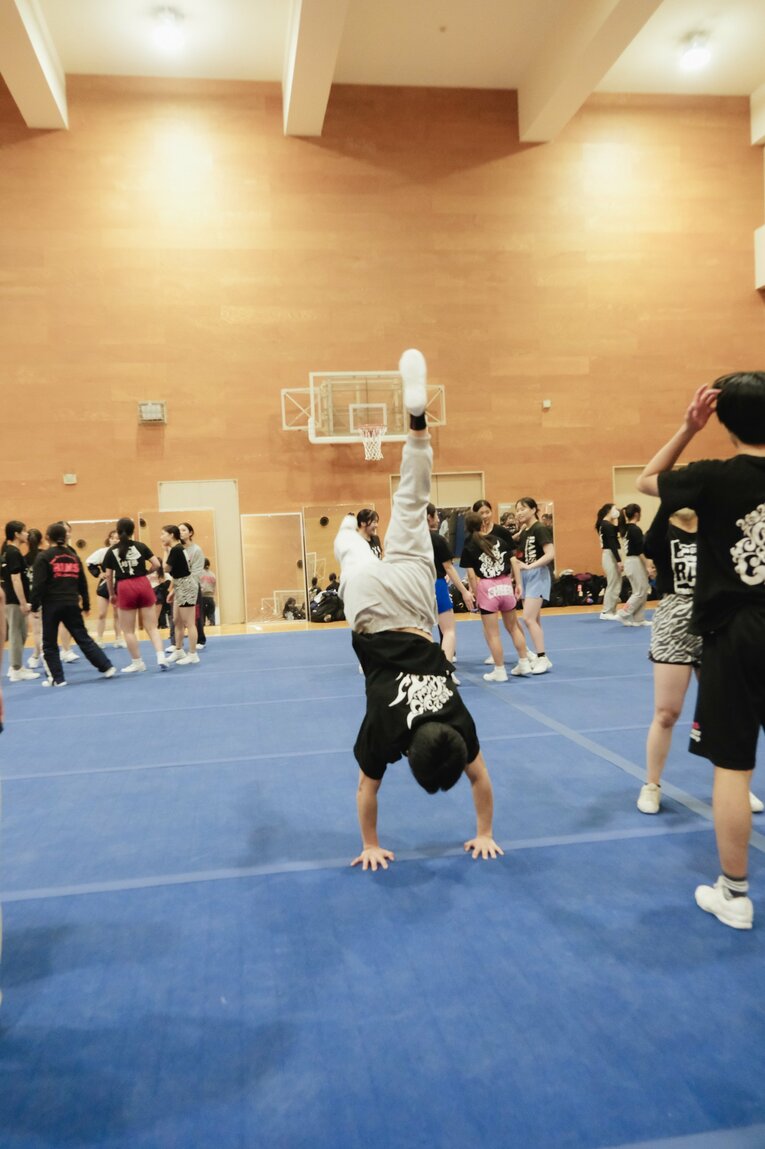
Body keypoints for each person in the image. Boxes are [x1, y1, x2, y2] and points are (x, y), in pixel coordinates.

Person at [335, 348, 502, 872]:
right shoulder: (388, 729)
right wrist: (369, 846)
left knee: (411, 500)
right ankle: (347, 532)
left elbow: (481, 778)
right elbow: (367, 788)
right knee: (352, 554)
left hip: (411, 598)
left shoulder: (459, 719)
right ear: (408, 754)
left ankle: (416, 426)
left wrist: (487, 831)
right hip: (370, 610)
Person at [636, 373, 765, 929]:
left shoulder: (713, 478)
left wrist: (689, 429)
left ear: (724, 419)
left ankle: (734, 895)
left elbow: (647, 480)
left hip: (736, 630)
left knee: (733, 767)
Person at [636, 503, 763, 819]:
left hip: (716, 622)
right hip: (674, 622)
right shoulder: (663, 532)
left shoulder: (718, 527)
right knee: (667, 712)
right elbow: (646, 546)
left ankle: (735, 784)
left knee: (725, 711)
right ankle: (651, 784)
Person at [31, 522, 116, 687]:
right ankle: (106, 666)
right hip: (71, 602)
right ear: (64, 537)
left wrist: (34, 605)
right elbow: (82, 582)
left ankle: (58, 678)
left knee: (49, 642)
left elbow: (38, 584)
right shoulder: (73, 556)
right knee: (83, 637)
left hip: (52, 604)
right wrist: (86, 604)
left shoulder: (44, 557)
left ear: (48, 538)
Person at [460, 500, 534, 682]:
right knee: (513, 627)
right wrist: (518, 584)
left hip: (487, 587)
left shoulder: (470, 545)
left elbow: (470, 575)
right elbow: (514, 561)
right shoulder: (500, 540)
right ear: (482, 523)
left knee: (493, 633)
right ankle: (524, 662)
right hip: (505, 584)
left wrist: (475, 593)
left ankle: (500, 670)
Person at [102, 517, 170, 673]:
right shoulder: (141, 546)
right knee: (152, 627)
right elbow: (158, 564)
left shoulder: (112, 551)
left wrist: (112, 594)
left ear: (118, 532)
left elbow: (108, 576)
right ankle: (161, 656)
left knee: (128, 630)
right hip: (143, 583)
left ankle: (137, 662)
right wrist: (146, 572)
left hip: (125, 587)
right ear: (133, 531)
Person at [426, 503, 474, 671]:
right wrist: (464, 591)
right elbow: (449, 568)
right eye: (436, 516)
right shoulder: (437, 539)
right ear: (428, 517)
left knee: (422, 632)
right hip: (436, 585)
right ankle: (446, 670)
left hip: (415, 587)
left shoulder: (406, 541)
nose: (438, 519)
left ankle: (425, 669)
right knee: (448, 631)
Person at [511, 497, 554, 674]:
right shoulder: (525, 530)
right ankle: (539, 655)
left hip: (538, 575)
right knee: (534, 619)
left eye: (523, 509)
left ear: (533, 509)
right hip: (525, 577)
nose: (519, 512)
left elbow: (550, 554)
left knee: (527, 618)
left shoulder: (540, 528)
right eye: (517, 509)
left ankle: (543, 657)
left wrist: (530, 566)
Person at [1, 521, 39, 682]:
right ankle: (16, 669)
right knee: (17, 633)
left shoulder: (7, 552)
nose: (27, 534)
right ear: (16, 534)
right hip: (14, 599)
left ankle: (14, 666)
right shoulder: (13, 553)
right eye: (24, 531)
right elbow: (16, 579)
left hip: (10, 598)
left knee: (19, 632)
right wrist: (23, 602)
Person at [161, 525, 199, 665]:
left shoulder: (176, 549)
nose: (161, 537)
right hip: (179, 585)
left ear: (171, 535)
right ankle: (178, 650)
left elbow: (166, 568)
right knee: (177, 620)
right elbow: (176, 573)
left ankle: (193, 654)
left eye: (163, 534)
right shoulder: (176, 549)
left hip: (187, 586)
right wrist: (174, 590)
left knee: (189, 623)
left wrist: (165, 552)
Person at [86, 529, 125, 648]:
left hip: (119, 585)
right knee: (102, 614)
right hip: (104, 586)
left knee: (117, 614)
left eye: (117, 538)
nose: (115, 540)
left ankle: (119, 638)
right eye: (112, 538)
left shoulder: (124, 553)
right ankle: (99, 639)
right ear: (109, 539)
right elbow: (89, 562)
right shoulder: (102, 552)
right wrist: (98, 574)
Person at [619, 504, 651, 627]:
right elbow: (639, 550)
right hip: (635, 561)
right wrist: (648, 566)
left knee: (641, 590)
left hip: (631, 561)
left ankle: (638, 619)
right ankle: (624, 612)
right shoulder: (635, 529)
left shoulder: (627, 529)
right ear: (637, 514)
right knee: (640, 591)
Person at [595, 504, 623, 619]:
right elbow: (612, 544)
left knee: (616, 582)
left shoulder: (604, 524)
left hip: (609, 554)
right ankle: (606, 611)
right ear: (608, 511)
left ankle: (612, 609)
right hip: (610, 554)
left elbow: (618, 530)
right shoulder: (606, 525)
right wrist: (619, 561)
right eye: (614, 509)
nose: (616, 511)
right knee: (612, 583)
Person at [24, 528, 44, 670]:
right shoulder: (45, 556)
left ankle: (39, 656)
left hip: (32, 597)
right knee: (46, 631)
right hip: (46, 596)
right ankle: (37, 655)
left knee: (37, 631)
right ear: (41, 540)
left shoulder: (24, 559)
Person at [200, 559, 217, 626]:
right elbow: (214, 586)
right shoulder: (212, 574)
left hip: (202, 596)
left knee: (202, 615)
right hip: (210, 597)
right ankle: (212, 625)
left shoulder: (199, 573)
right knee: (211, 614)